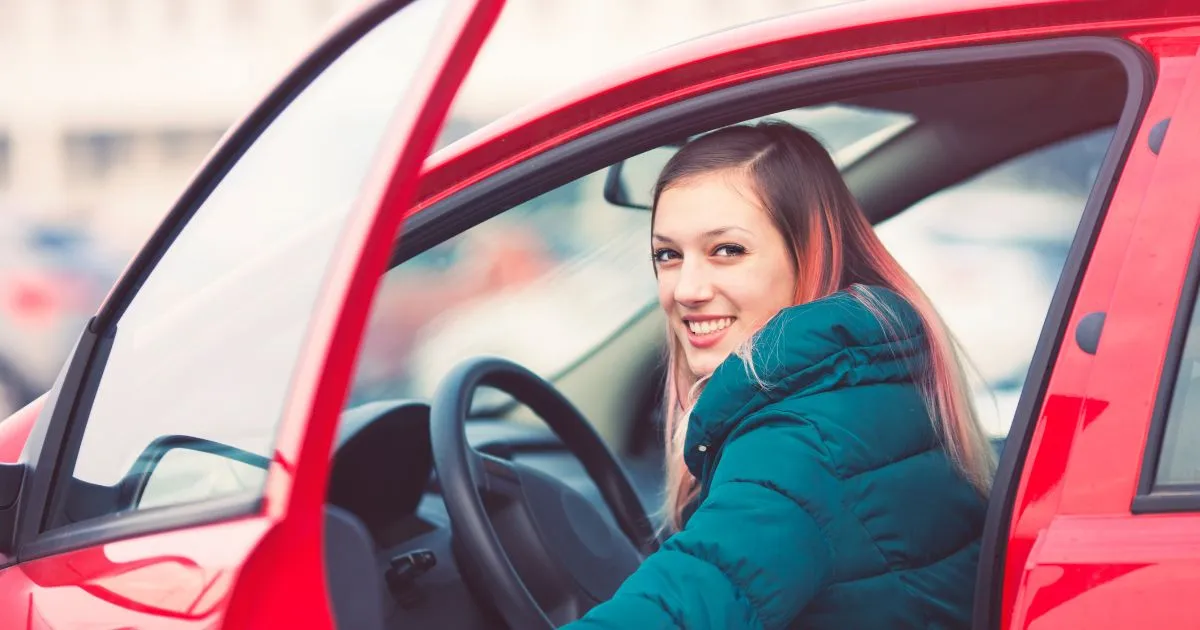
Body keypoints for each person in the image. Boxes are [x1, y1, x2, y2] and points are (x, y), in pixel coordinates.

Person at [561, 121, 995, 629]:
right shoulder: (865, 381)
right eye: (669, 255)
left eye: (727, 250)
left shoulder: (797, 442)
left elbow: (674, 612)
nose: (686, 289)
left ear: (805, 254)